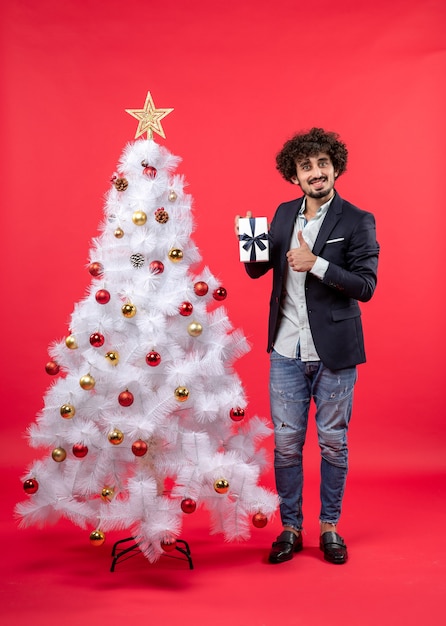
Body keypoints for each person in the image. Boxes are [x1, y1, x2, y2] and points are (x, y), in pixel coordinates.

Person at [235, 127, 379, 565]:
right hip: (285, 350)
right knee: (285, 444)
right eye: (305, 166)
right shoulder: (281, 215)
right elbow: (258, 273)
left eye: (322, 164)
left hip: (334, 352)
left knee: (333, 443)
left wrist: (316, 264)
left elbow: (366, 286)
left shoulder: (357, 220)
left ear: (335, 167)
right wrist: (249, 243)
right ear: (293, 175)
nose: (315, 173)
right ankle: (290, 528)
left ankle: (330, 526)